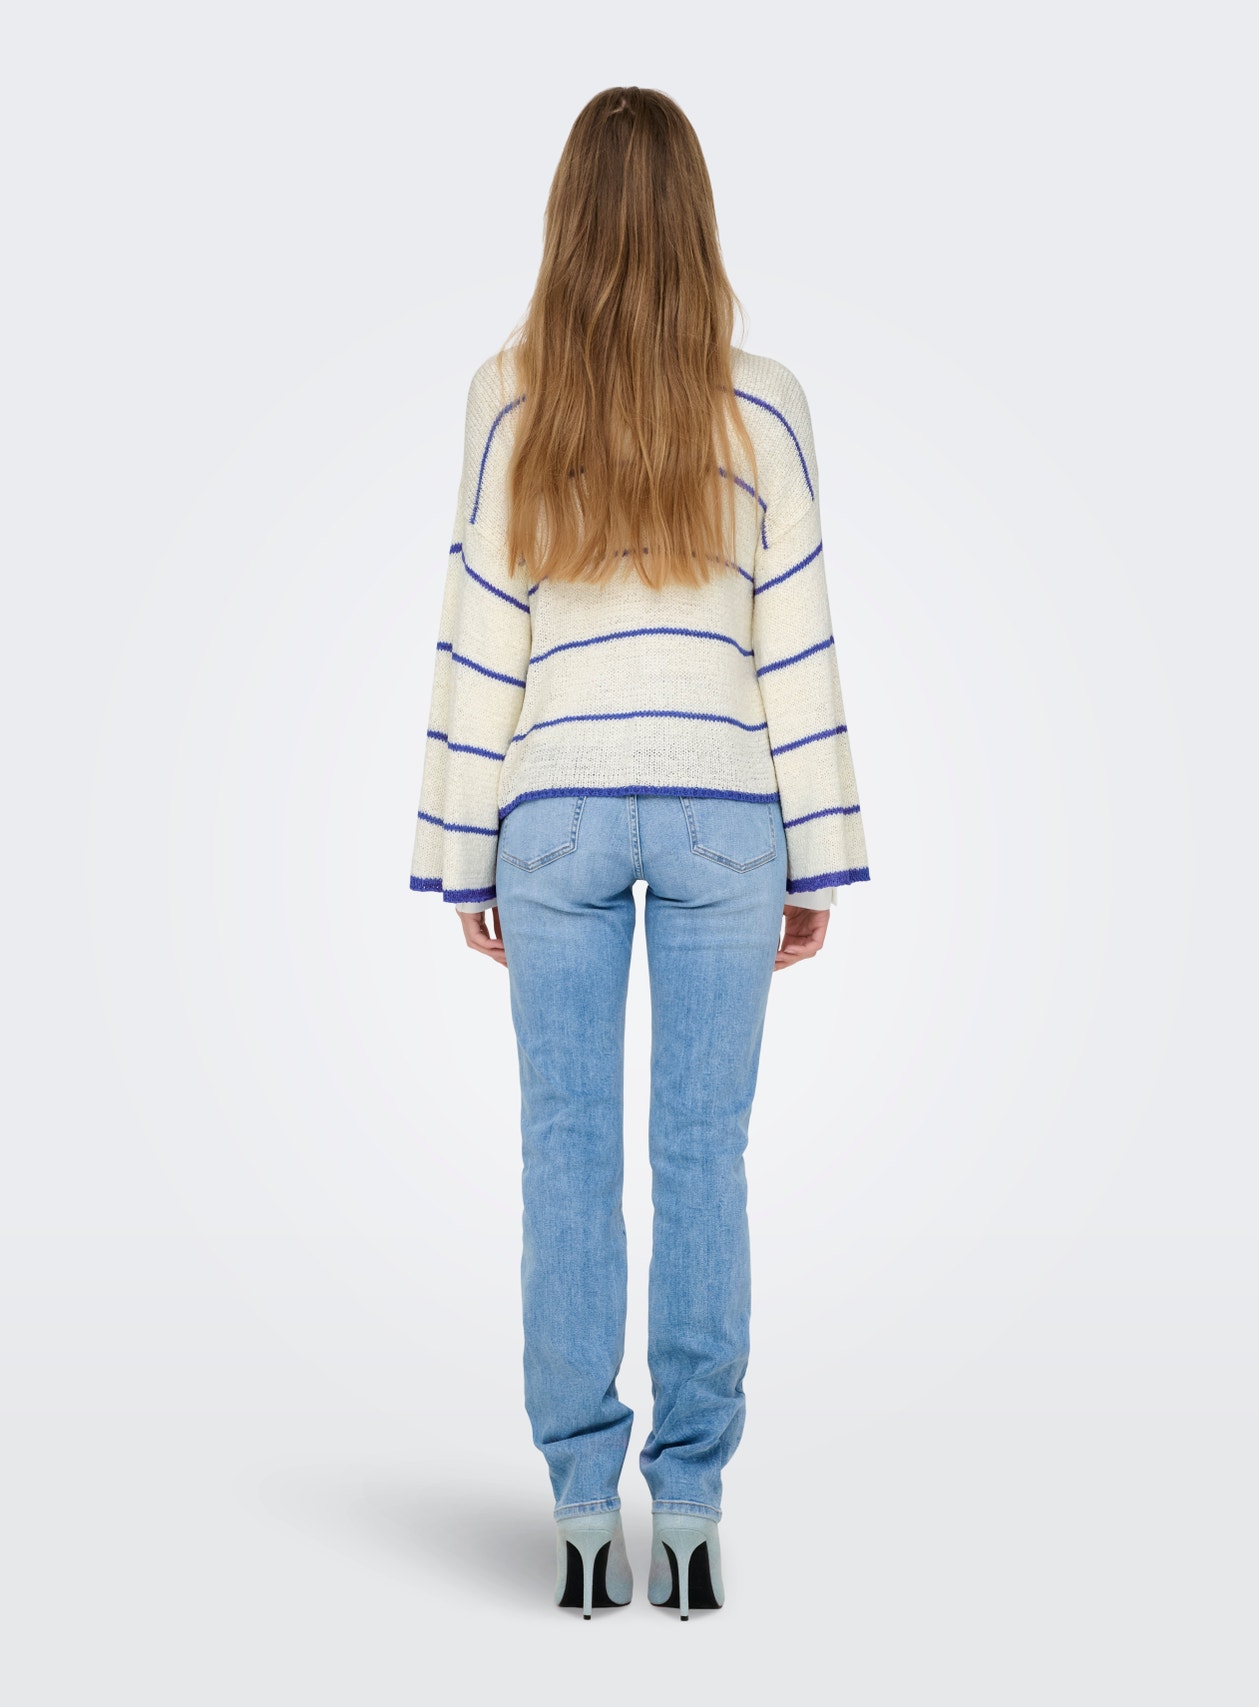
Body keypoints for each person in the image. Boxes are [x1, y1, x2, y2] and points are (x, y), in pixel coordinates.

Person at [409, 86, 869, 1619]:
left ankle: (575, 1512)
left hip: (551, 809)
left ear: (566, 221)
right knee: (701, 1156)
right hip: (727, 809)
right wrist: (817, 854)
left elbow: (481, 630)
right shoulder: (767, 405)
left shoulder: (509, 398)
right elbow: (796, 639)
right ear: (698, 222)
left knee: (565, 1152)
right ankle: (689, 1510)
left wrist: (463, 848)